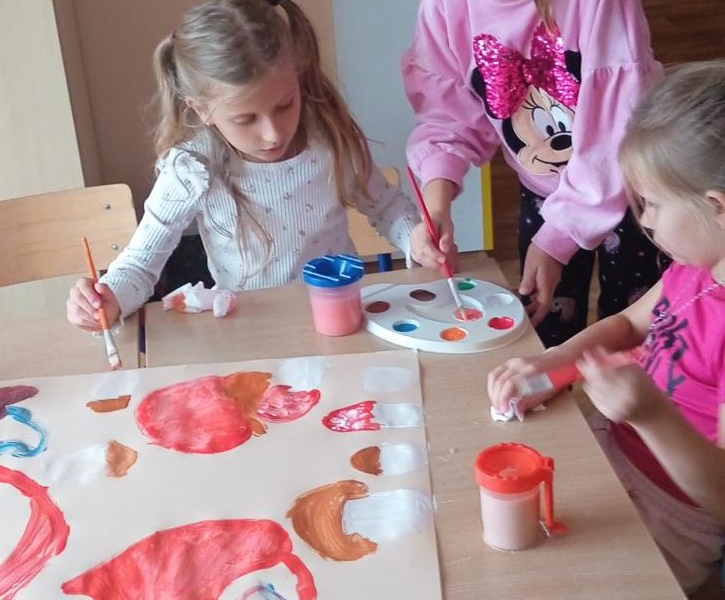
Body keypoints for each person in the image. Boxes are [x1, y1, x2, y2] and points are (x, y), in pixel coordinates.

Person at [488, 62, 725, 598]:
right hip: (609, 451)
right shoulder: (698, 266)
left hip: (671, 517)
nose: (645, 222)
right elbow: (625, 324)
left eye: (651, 204)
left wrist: (652, 415)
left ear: (715, 208)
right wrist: (554, 362)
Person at [66, 0, 418, 329]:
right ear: (202, 109)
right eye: (246, 119)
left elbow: (387, 207)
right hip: (249, 332)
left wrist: (416, 239)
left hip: (338, 321)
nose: (273, 134)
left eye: (285, 105)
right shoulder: (192, 169)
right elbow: (140, 265)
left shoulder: (328, 138)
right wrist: (108, 299)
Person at [402, 0, 668, 347]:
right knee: (548, 328)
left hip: (635, 192)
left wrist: (557, 239)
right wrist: (437, 204)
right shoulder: (445, 7)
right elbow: (448, 116)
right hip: (544, 194)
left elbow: (614, 133)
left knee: (637, 337)